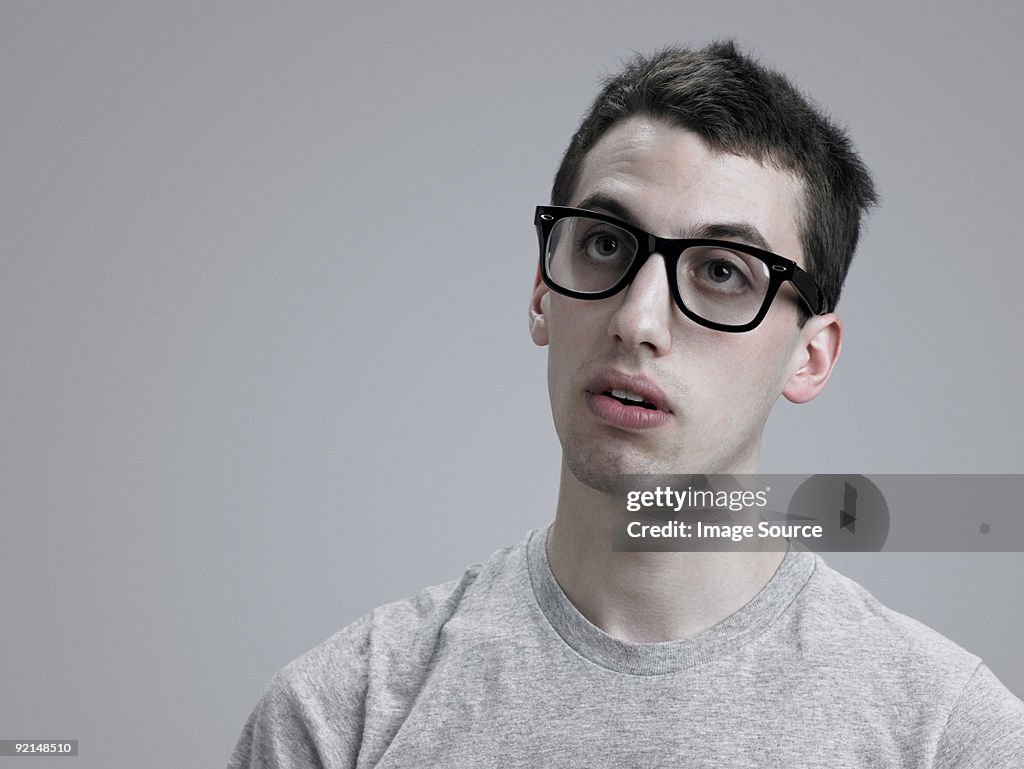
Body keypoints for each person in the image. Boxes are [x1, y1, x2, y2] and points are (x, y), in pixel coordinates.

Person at [228, 41, 1024, 767]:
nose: (638, 322)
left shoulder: (950, 737)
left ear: (810, 356)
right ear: (542, 291)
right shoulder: (338, 720)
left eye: (722, 271)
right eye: (606, 244)